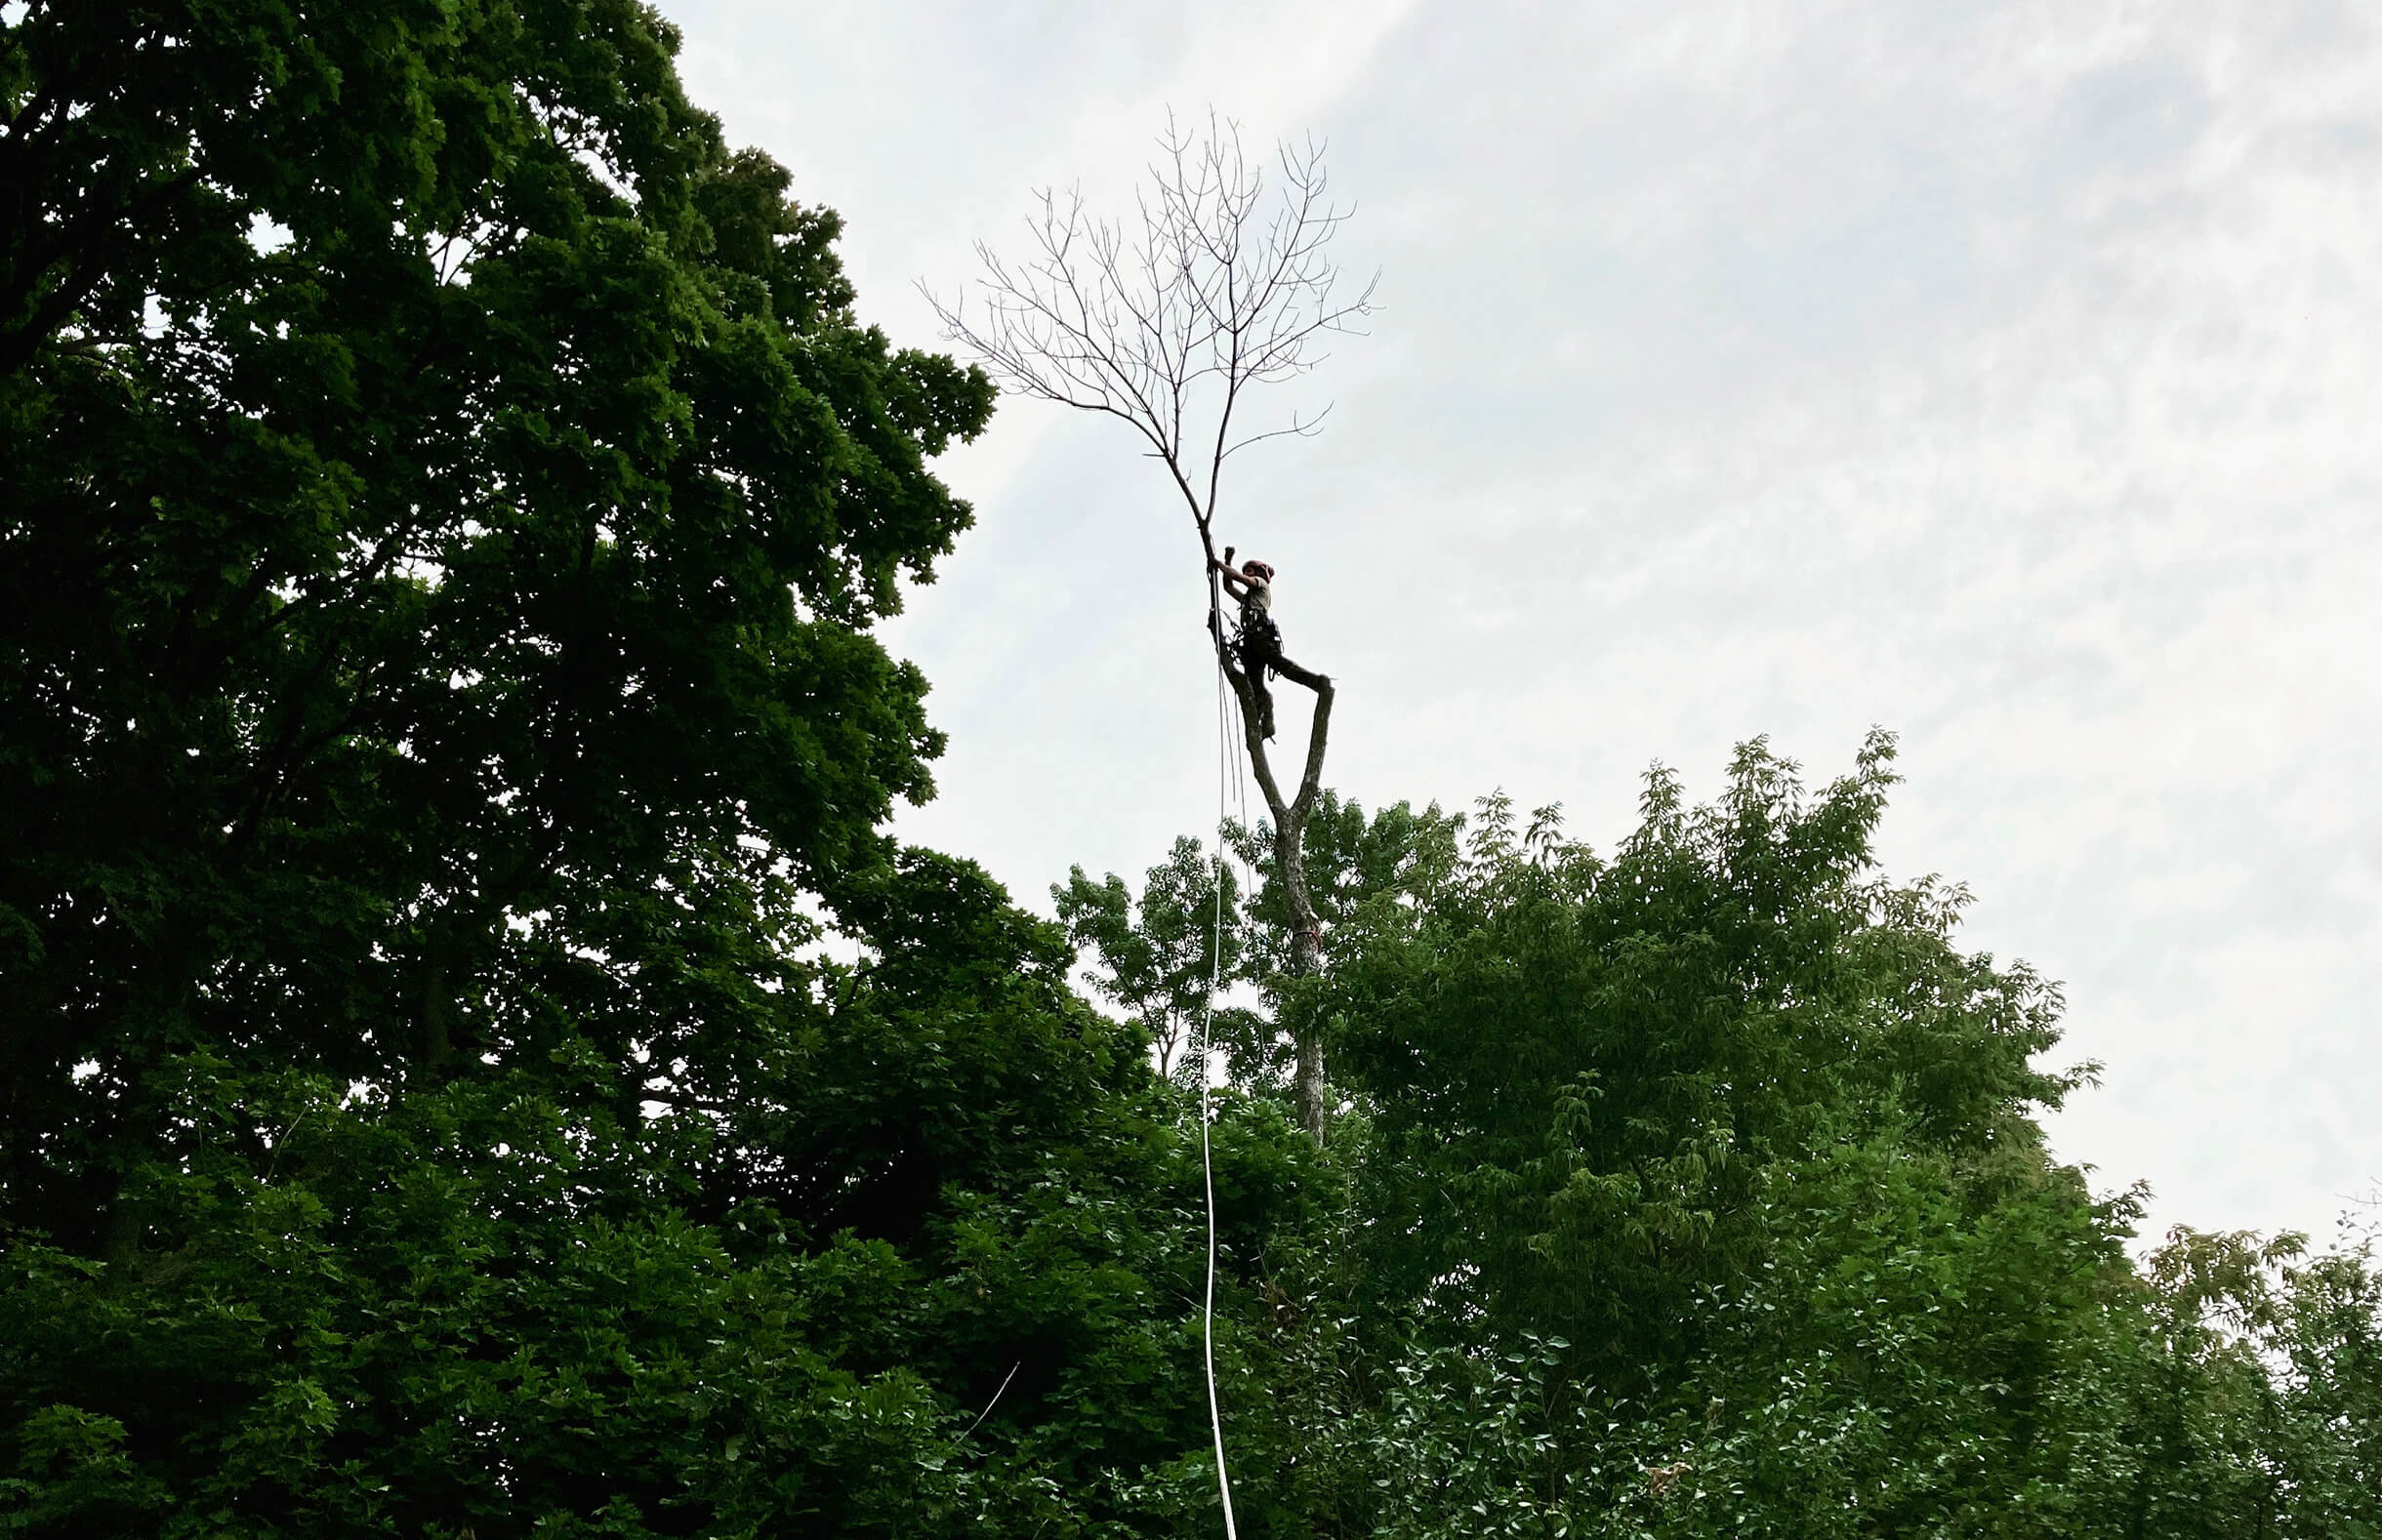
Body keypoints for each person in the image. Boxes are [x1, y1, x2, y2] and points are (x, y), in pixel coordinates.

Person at [1213, 546, 1283, 740]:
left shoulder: (1260, 584)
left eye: (1249, 571)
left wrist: (1220, 564)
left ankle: (1266, 713)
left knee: (1258, 681)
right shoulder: (1248, 598)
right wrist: (1227, 562)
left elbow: (1238, 579)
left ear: (1259, 572)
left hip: (1260, 636)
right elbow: (1228, 587)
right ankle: (1264, 718)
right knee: (1253, 684)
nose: (1246, 574)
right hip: (1251, 640)